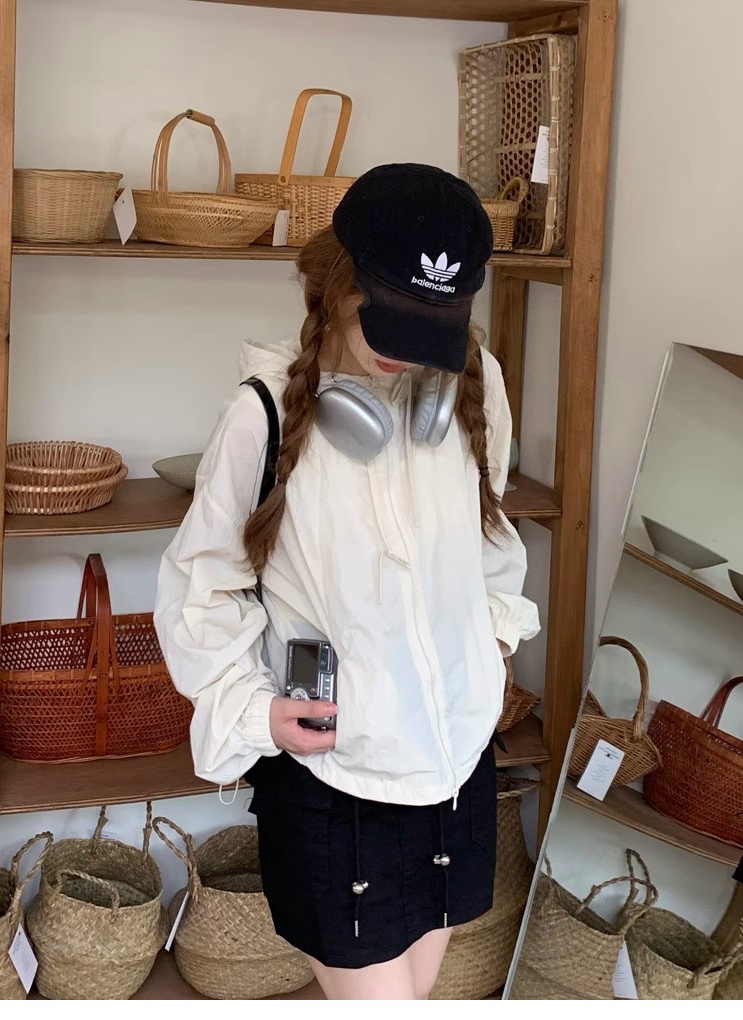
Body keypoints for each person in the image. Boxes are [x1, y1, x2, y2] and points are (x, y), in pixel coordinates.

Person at [154, 163, 540, 1000]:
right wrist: (252, 710)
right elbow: (200, 589)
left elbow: (488, 538)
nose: (404, 352)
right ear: (339, 282)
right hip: (338, 786)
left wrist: (492, 644)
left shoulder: (472, 390)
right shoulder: (261, 415)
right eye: (388, 320)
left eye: (430, 329)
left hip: (455, 767)